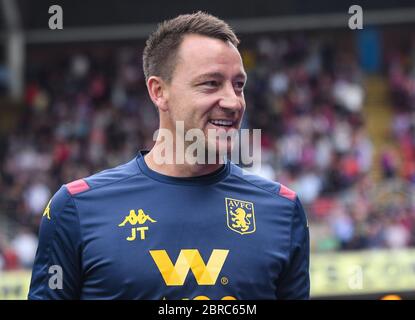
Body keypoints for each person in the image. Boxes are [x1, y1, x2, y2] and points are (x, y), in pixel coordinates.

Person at [28, 12, 309, 300]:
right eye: (211, 83)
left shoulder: (282, 210)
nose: (233, 101)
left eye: (238, 85)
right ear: (159, 91)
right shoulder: (75, 209)